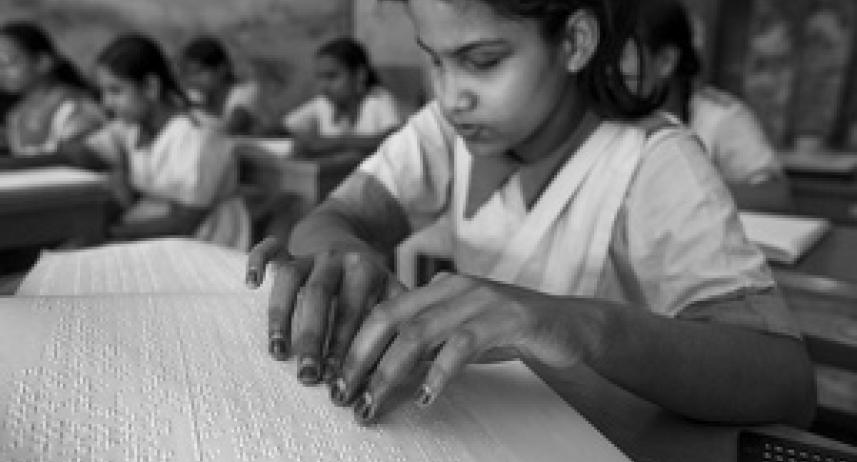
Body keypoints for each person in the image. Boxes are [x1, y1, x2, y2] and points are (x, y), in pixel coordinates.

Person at [246, 0, 815, 427]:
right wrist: (343, 256)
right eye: (434, 62)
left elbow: (783, 382)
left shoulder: (652, 161)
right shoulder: (446, 133)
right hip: (485, 432)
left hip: (606, 445)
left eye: (482, 61)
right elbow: (334, 217)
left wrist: (574, 323)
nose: (451, 96)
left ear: (574, 42)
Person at [83, 34, 250, 250]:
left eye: (116, 90)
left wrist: (111, 233)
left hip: (204, 242)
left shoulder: (196, 136)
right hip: (156, 235)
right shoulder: (135, 129)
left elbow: (184, 222)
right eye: (103, 91)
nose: (106, 103)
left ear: (151, 87)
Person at [625, 0, 792, 211]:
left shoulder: (719, 117)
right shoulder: (604, 118)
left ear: (666, 60)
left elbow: (776, 196)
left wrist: (687, 192)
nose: (608, 72)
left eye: (622, 57)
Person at [0, 21, 105, 165]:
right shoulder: (16, 115)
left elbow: (81, 159)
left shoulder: (76, 107)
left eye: (7, 63)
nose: (2, 72)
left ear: (43, 61)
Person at [280, 37, 403, 157]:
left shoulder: (377, 99)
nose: (323, 86)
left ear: (360, 75)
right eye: (320, 77)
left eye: (331, 76)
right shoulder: (323, 103)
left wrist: (335, 142)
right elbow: (286, 128)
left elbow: (394, 139)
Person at [178, 36, 260, 135]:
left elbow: (232, 129)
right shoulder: (196, 96)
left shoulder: (245, 93)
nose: (192, 80)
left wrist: (193, 111)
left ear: (221, 69)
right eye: (189, 74)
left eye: (198, 73)